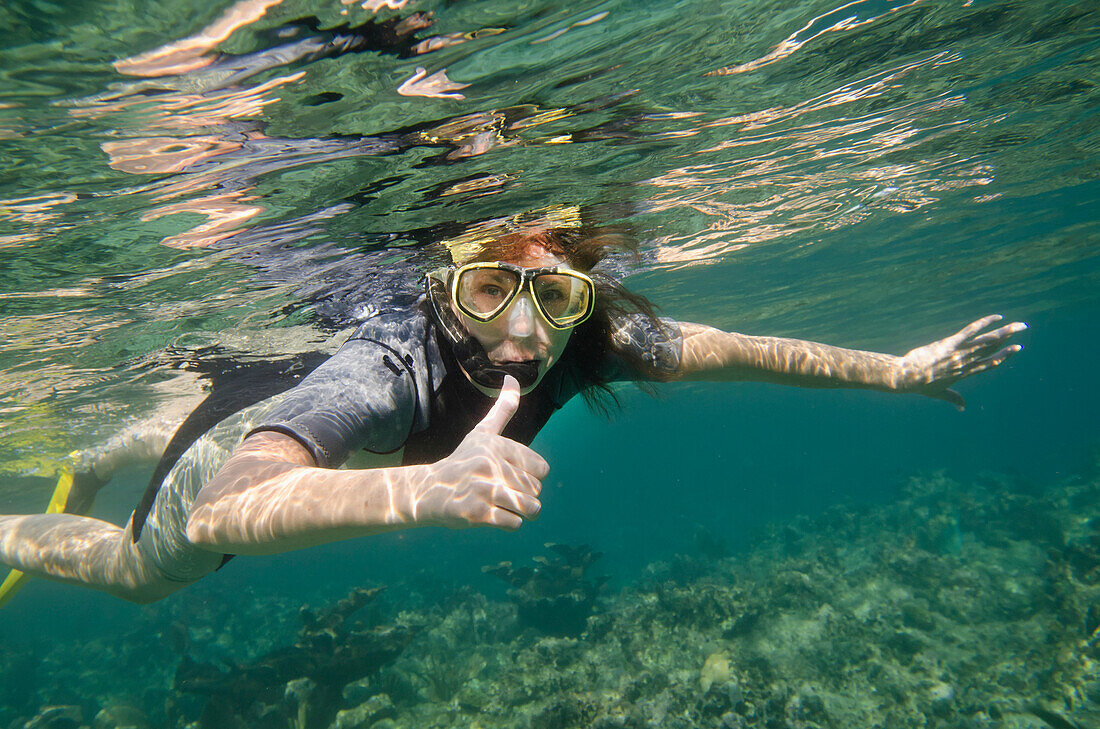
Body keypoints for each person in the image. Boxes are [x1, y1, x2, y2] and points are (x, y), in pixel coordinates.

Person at [0, 211, 1025, 605]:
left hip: (286, 410)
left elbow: (744, 352)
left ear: (583, 298)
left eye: (555, 297)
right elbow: (227, 508)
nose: (525, 339)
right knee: (144, 574)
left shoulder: (589, 342)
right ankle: (15, 527)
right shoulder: (381, 368)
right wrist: (420, 491)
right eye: (488, 292)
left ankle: (118, 443)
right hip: (280, 427)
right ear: (442, 293)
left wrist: (895, 372)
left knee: (247, 428)